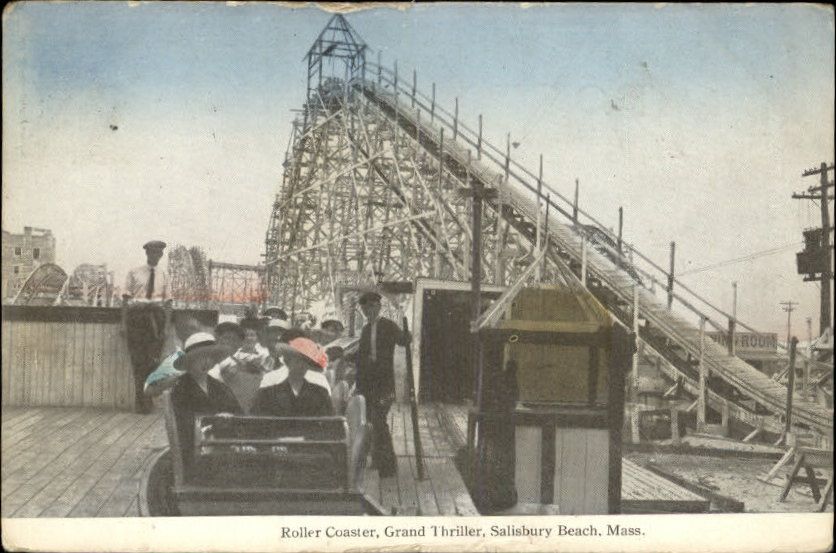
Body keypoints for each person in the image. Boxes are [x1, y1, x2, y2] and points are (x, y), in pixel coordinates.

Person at [169, 332, 242, 473]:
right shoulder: (181, 388)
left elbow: (239, 415)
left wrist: (231, 418)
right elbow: (182, 424)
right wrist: (215, 421)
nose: (206, 362)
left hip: (225, 446)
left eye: (210, 357)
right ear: (190, 361)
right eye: (201, 357)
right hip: (194, 450)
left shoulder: (219, 387)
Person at [355, 291, 409, 477]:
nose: (367, 311)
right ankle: (378, 460)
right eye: (364, 308)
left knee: (379, 421)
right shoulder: (365, 330)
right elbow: (361, 358)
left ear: (378, 307)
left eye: (371, 307)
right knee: (371, 422)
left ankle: (388, 466)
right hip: (368, 385)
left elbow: (403, 341)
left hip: (384, 385)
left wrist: (406, 331)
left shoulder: (388, 326)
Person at [122, 240, 171, 414]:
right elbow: (126, 300)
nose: (155, 256)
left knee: (152, 362)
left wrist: (165, 328)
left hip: (156, 320)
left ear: (161, 255)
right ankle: (141, 402)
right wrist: (124, 324)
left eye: (158, 254)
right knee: (138, 362)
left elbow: (168, 303)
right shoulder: (134, 272)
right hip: (137, 318)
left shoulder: (164, 275)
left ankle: (147, 398)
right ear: (147, 254)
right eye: (152, 253)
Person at [253, 337, 334, 417]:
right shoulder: (268, 394)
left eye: (305, 361)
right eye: (297, 359)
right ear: (287, 360)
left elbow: (330, 424)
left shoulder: (320, 394)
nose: (301, 365)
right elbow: (256, 423)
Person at [143, 315, 202, 399]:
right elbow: (151, 389)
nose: (192, 332)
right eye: (189, 328)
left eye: (194, 329)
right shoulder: (173, 349)